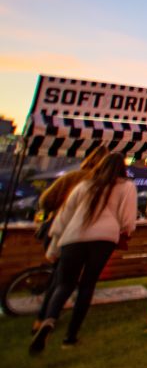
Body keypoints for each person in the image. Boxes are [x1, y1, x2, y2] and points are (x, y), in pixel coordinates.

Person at [30, 153, 137, 354]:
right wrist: (125, 231)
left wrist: (54, 248)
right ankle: (70, 337)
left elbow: (64, 217)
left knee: (64, 284)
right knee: (87, 285)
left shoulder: (84, 185)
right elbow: (128, 220)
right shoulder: (126, 187)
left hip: (73, 237)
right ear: (122, 168)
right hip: (104, 239)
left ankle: (49, 320)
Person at [31, 145, 110, 335]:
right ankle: (66, 328)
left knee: (61, 278)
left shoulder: (73, 177)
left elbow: (45, 201)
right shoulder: (101, 183)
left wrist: (57, 207)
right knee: (79, 282)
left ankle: (44, 319)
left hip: (62, 231)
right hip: (89, 236)